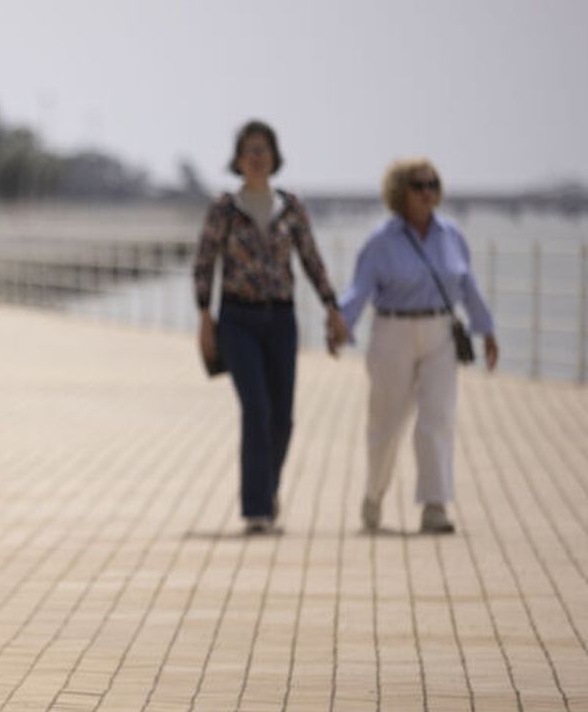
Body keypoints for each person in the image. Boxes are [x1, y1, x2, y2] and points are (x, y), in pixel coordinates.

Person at [194, 120, 348, 534]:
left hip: (281, 319)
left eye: (263, 150)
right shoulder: (225, 209)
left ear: (274, 157)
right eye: (249, 150)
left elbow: (311, 260)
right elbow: (205, 261)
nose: (257, 157)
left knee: (283, 417)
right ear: (238, 160)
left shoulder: (291, 207)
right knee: (256, 409)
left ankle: (268, 488)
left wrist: (332, 308)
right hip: (238, 319)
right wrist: (204, 317)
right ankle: (256, 510)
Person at [333, 159, 498, 534]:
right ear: (400, 192)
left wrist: (486, 329)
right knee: (386, 423)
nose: (427, 193)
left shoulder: (451, 235)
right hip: (393, 331)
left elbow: (467, 284)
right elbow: (360, 289)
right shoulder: (381, 240)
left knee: (437, 418)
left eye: (433, 184)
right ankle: (374, 495)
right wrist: (341, 324)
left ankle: (435, 505)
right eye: (419, 185)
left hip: (440, 331)